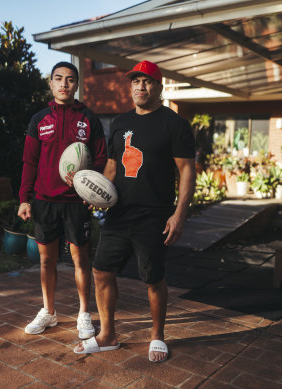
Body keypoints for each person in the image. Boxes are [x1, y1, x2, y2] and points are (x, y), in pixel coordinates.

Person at [73, 60, 196, 362]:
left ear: (159, 86)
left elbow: (187, 172)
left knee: (152, 278)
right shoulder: (119, 123)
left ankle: (158, 336)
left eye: (148, 81)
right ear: (130, 87)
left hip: (154, 214)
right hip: (118, 213)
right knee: (101, 270)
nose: (141, 87)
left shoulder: (175, 125)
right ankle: (108, 334)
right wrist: (97, 192)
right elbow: (112, 168)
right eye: (136, 81)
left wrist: (179, 214)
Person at [18, 61, 107, 339]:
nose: (64, 84)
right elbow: (29, 161)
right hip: (44, 201)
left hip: (76, 202)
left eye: (70, 79)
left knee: (81, 259)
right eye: (59, 79)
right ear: (51, 83)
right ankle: (49, 311)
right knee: (46, 261)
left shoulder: (89, 119)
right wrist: (24, 198)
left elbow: (102, 157)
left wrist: (89, 184)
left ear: (77, 85)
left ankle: (83, 314)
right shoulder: (40, 119)